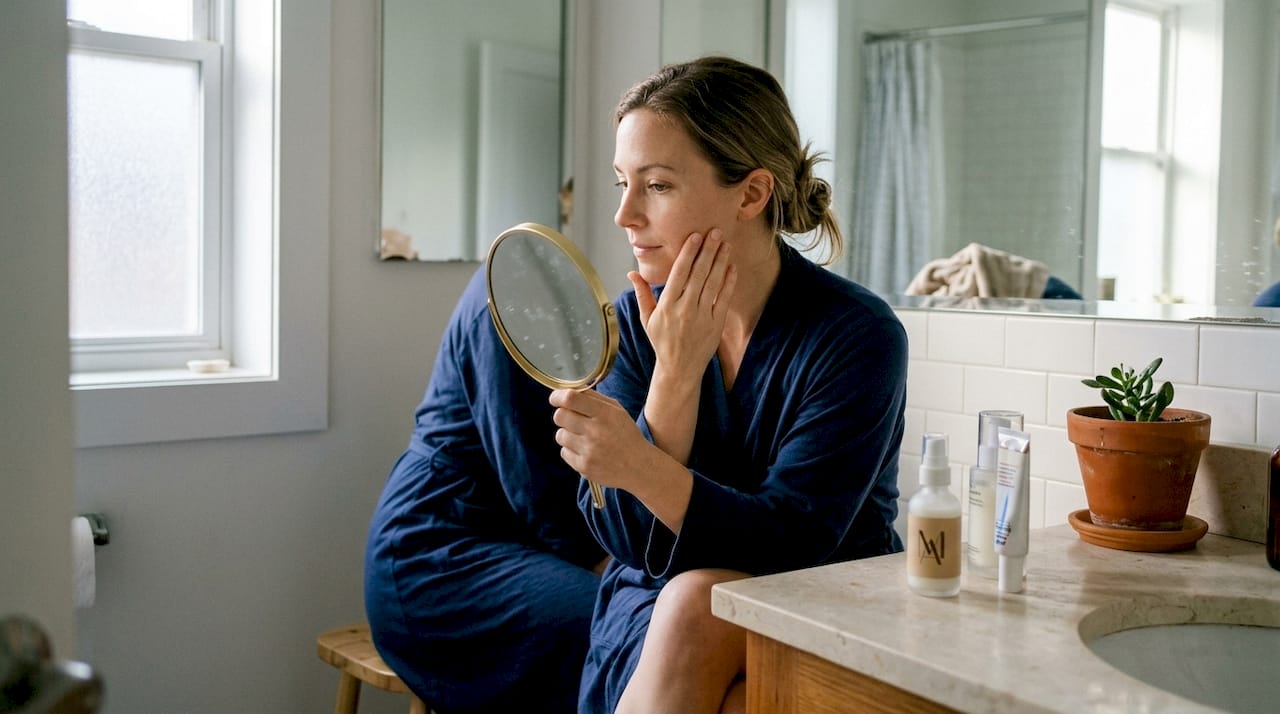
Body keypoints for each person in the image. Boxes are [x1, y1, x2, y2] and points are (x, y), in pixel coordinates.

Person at [550, 56, 909, 714]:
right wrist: (675, 374)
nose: (624, 214)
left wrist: (639, 463)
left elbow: (793, 540)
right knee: (724, 671)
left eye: (657, 185)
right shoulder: (634, 322)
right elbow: (625, 539)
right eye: (623, 183)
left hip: (822, 604)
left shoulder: (857, 337)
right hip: (655, 610)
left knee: (704, 612)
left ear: (750, 194)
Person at [363, 266, 608, 714]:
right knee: (616, 619)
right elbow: (531, 479)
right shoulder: (504, 298)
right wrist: (605, 560)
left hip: (507, 539)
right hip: (432, 553)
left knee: (637, 611)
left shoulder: (568, 300)